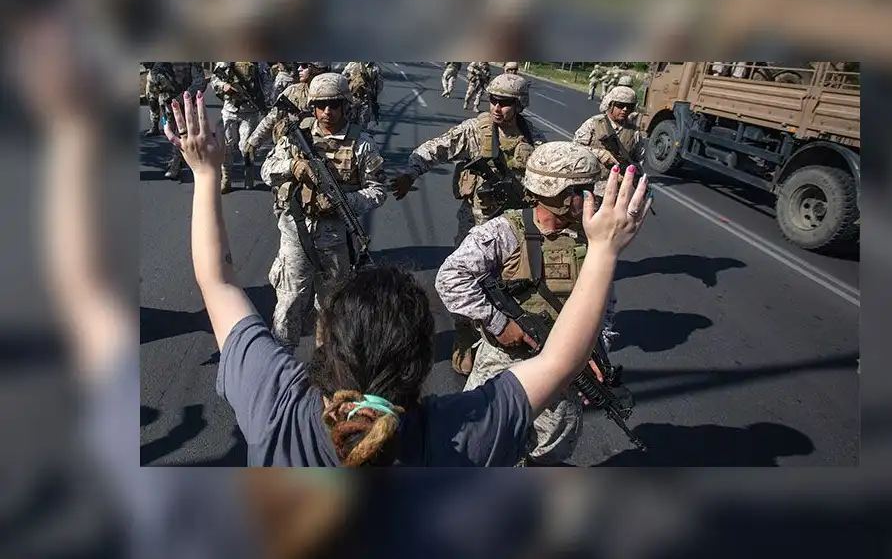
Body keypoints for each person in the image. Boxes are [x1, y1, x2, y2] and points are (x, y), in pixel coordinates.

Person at [163, 90, 651, 466]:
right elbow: (561, 361)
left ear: (326, 351)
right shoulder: (461, 434)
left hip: (337, 241)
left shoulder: (278, 413)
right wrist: (605, 252)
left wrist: (206, 175)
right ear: (422, 364)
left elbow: (219, 282)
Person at [436, 142, 631, 466]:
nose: (590, 199)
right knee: (476, 443)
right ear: (556, 192)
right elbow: (450, 278)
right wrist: (498, 323)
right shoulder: (505, 231)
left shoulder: (592, 242)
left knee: (548, 452)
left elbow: (604, 307)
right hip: (503, 360)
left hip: (562, 371)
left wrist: (595, 353)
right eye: (582, 190)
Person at [391, 73, 546, 376]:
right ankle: (464, 335)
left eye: (506, 102)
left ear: (520, 105)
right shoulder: (476, 130)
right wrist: (411, 173)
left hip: (516, 225)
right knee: (467, 278)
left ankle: (504, 335)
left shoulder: (535, 139)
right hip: (476, 221)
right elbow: (437, 148)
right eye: (493, 100)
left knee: (514, 283)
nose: (497, 107)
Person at [259, 73, 388, 354]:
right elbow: (266, 170)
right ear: (313, 106)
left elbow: (378, 191)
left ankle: (325, 363)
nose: (327, 112)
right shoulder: (297, 137)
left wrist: (347, 202)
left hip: (337, 238)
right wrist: (293, 167)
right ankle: (281, 363)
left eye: (334, 105)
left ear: (345, 106)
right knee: (289, 303)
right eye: (321, 105)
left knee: (332, 307)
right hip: (297, 232)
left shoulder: (363, 144)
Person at [245, 62, 328, 166]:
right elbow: (272, 117)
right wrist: (253, 142)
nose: (299, 69)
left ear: (318, 69)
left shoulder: (334, 93)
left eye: (304, 66)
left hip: (327, 151)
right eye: (299, 66)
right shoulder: (292, 92)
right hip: (295, 153)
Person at [211, 61, 273, 193]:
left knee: (247, 147)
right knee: (226, 146)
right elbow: (214, 79)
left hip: (249, 112)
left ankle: (248, 172)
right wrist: (224, 86)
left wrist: (262, 100)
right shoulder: (227, 61)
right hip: (230, 111)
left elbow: (268, 84)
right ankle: (226, 178)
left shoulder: (259, 63)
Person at [573, 85, 647, 197]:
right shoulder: (594, 124)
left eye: (629, 106)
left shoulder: (634, 132)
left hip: (617, 191)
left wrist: (631, 175)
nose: (625, 110)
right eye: (620, 105)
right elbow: (574, 148)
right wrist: (599, 153)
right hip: (590, 187)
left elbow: (639, 160)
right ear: (610, 104)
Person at [343, 61, 383, 128]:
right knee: (360, 122)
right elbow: (379, 86)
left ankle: (354, 135)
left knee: (354, 121)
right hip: (362, 98)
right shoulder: (375, 67)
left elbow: (343, 78)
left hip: (356, 98)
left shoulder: (351, 64)